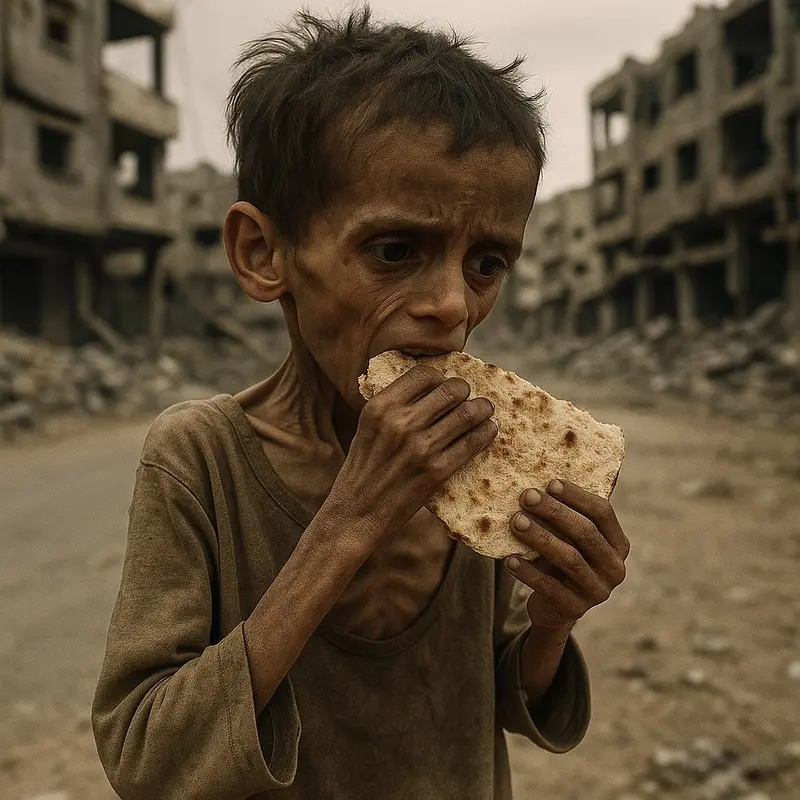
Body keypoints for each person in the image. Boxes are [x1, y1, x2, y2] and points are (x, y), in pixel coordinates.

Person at [92, 6, 630, 799]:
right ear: (263, 253)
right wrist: (349, 521)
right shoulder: (198, 460)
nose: (452, 304)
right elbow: (148, 759)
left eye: (485, 262)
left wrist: (554, 619)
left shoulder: (475, 455)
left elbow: (505, 692)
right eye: (395, 251)